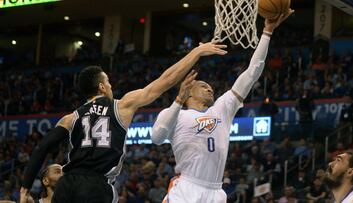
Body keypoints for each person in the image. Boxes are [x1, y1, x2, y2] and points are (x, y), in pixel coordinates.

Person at [20, 41, 227, 203]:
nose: (110, 86)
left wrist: (25, 187)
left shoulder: (70, 118)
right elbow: (166, 80)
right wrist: (197, 52)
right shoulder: (122, 106)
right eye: (108, 82)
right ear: (101, 87)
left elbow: (43, 148)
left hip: (68, 184)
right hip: (96, 186)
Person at [151, 10, 294, 203]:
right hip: (187, 188)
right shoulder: (174, 113)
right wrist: (178, 100)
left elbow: (252, 72)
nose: (210, 89)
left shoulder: (221, 109)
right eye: (203, 86)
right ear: (188, 93)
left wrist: (267, 33)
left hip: (216, 192)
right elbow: (157, 137)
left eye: (210, 87)